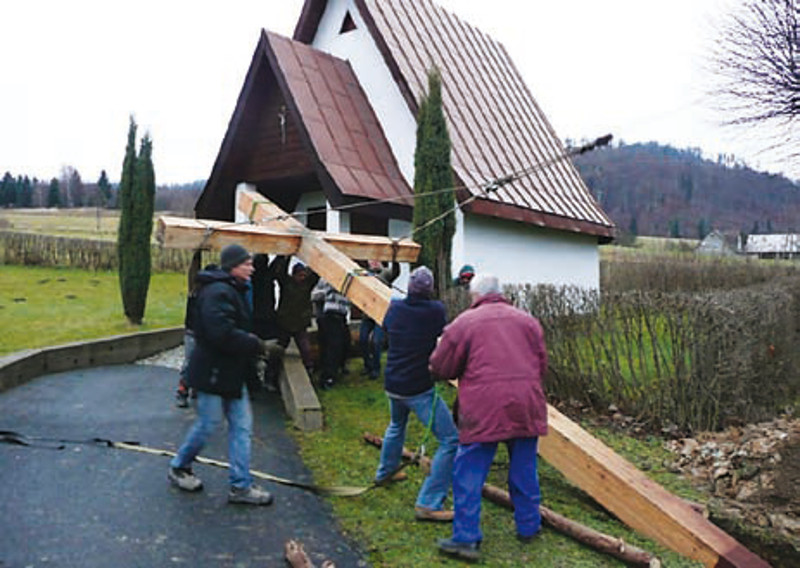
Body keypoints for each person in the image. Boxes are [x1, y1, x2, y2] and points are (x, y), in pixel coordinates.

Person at [429, 273, 548, 562]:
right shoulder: (528, 321)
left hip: (484, 409)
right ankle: (529, 526)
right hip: (525, 404)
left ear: (475, 296)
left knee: (468, 473)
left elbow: (441, 367)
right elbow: (541, 363)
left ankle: (466, 539)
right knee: (524, 468)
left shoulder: (463, 324)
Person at [168, 244, 274, 506]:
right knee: (208, 425)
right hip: (213, 374)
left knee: (242, 428)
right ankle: (179, 466)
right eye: (247, 263)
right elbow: (221, 334)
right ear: (233, 266)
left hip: (231, 374)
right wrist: (258, 345)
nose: (252, 267)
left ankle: (240, 486)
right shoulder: (218, 292)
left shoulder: (233, 290)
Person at [375, 266, 458, 522]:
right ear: (430, 290)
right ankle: (429, 504)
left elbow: (387, 327)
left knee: (396, 425)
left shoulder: (395, 307)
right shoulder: (436, 311)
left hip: (393, 382)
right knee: (450, 439)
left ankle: (386, 472)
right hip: (418, 387)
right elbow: (442, 334)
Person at [174, 263, 218, 408]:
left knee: (193, 362)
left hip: (193, 332)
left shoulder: (197, 292)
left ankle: (192, 388)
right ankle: (183, 390)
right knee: (191, 362)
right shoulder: (202, 294)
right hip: (195, 333)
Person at [273, 256, 319, 375]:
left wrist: (313, 257)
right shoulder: (286, 283)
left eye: (303, 275)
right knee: (278, 350)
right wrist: (287, 256)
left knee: (306, 349)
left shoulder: (307, 285)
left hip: (300, 324)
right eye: (299, 275)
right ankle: (271, 374)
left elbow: (316, 273)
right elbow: (280, 272)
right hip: (285, 323)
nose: (302, 278)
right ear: (293, 275)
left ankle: (310, 369)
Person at [359, 260, 400, 380]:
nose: (374, 262)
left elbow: (396, 272)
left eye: (377, 260)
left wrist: (395, 258)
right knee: (362, 340)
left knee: (377, 342)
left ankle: (376, 369)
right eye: (372, 260)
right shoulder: (364, 274)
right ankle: (368, 366)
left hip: (381, 314)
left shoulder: (386, 273)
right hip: (366, 314)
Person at [312, 279, 350, 390]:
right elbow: (315, 294)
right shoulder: (329, 278)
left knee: (343, 344)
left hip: (342, 316)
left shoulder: (351, 280)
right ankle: (327, 377)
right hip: (330, 315)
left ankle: (338, 368)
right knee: (333, 347)